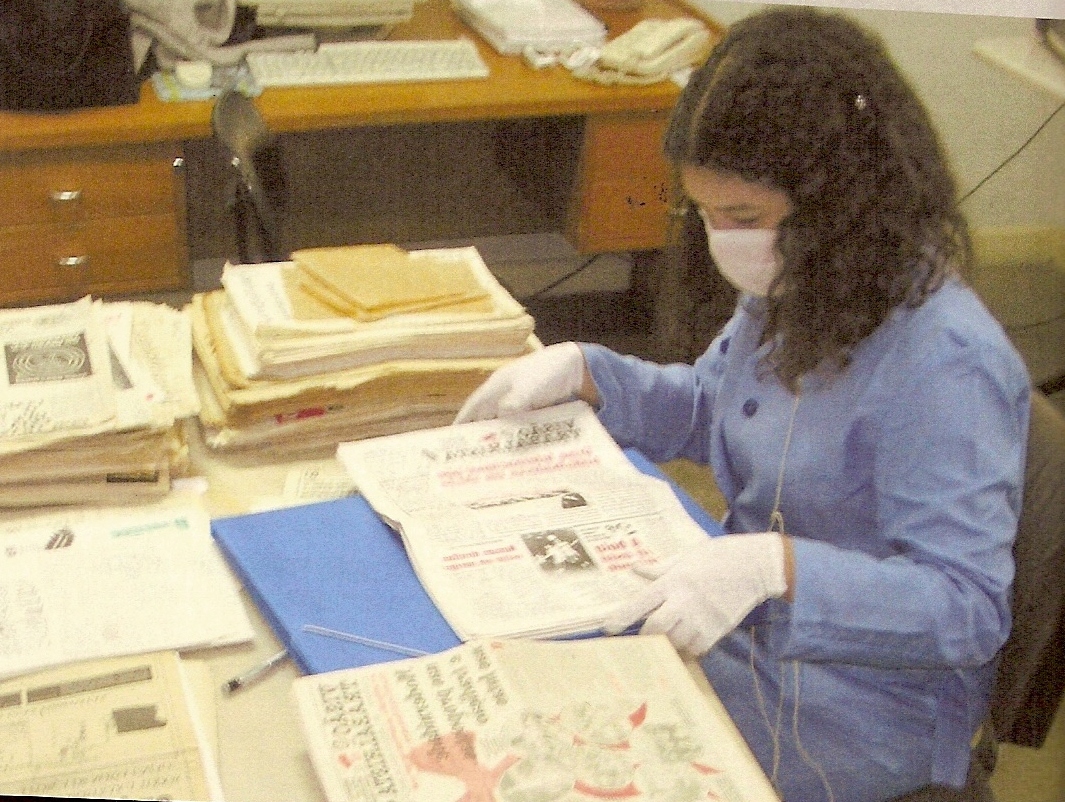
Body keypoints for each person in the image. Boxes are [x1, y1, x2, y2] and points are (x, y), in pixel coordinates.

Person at [454, 7, 1032, 802]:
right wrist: (590, 373)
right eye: (705, 214)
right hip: (755, 643)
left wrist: (777, 568)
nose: (724, 243)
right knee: (508, 680)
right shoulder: (804, 277)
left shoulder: (944, 363)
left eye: (744, 219)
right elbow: (714, 406)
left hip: (863, 710)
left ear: (842, 201)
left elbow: (963, 609)